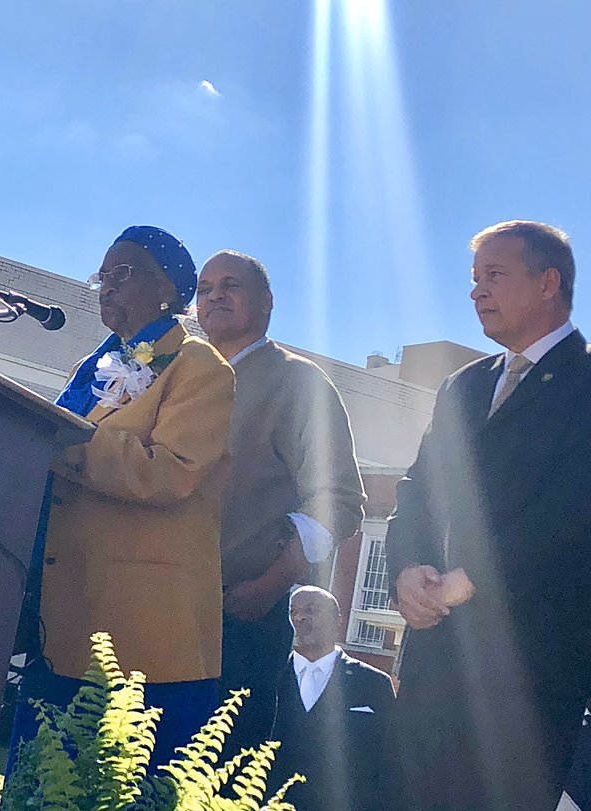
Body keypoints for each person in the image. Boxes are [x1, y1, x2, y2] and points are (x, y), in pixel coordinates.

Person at [9, 225, 235, 767]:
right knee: (39, 789)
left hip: (144, 637)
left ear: (168, 290)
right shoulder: (91, 368)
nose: (106, 286)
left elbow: (172, 472)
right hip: (61, 623)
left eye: (123, 273)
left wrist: (64, 443)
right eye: (102, 275)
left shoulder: (199, 367)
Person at [385, 220, 591, 810]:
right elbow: (420, 487)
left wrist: (471, 577)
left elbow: (571, 509)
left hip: (531, 670)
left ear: (549, 282)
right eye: (475, 278)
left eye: (494, 275)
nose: (477, 291)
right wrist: (406, 570)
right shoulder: (464, 385)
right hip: (434, 661)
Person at [195, 250, 365, 751]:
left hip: (237, 617)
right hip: (157, 602)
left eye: (230, 285)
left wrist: (268, 587)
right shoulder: (181, 374)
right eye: (204, 289)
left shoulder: (298, 381)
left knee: (217, 770)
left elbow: (339, 501)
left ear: (267, 301)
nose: (214, 296)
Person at [269, 586, 395, 811]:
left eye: (311, 609)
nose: (299, 617)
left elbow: (390, 764)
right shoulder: (268, 680)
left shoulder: (374, 684)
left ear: (338, 620)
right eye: (293, 611)